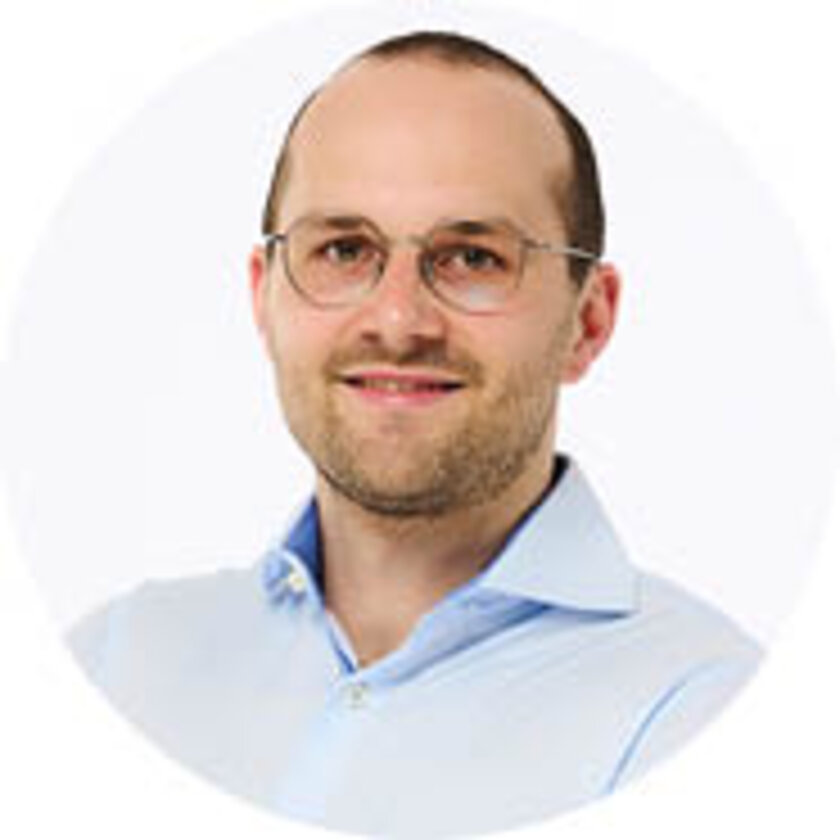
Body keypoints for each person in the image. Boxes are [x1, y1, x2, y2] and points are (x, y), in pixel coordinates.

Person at [69, 30, 761, 837]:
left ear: (589, 321)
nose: (398, 321)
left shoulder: (708, 715)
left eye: (472, 257)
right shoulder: (115, 663)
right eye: (344, 250)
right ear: (264, 299)